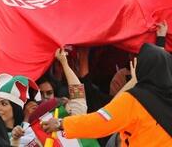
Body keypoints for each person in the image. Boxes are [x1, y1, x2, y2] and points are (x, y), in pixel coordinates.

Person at [41, 43, 172, 145]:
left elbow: (99, 121)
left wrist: (61, 124)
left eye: (49, 93)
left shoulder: (134, 100)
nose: (45, 97)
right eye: (42, 94)